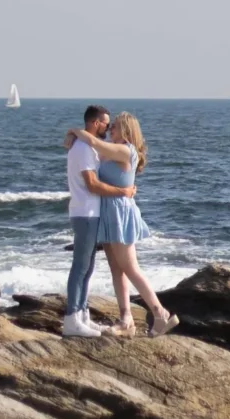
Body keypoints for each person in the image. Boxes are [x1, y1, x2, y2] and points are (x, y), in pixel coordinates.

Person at [95, 110, 178, 339]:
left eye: (115, 126)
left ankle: (160, 313)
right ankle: (126, 320)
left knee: (130, 267)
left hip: (119, 212)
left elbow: (95, 144)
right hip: (108, 212)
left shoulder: (126, 150)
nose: (110, 129)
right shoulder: (114, 150)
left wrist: (76, 132)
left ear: (126, 130)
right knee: (116, 269)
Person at [60, 106, 139, 338]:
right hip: (85, 213)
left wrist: (72, 132)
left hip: (91, 213)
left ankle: (82, 314)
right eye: (106, 123)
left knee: (88, 266)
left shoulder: (88, 146)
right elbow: (92, 184)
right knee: (80, 266)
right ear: (96, 123)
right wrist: (123, 192)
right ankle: (72, 319)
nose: (109, 127)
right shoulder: (84, 148)